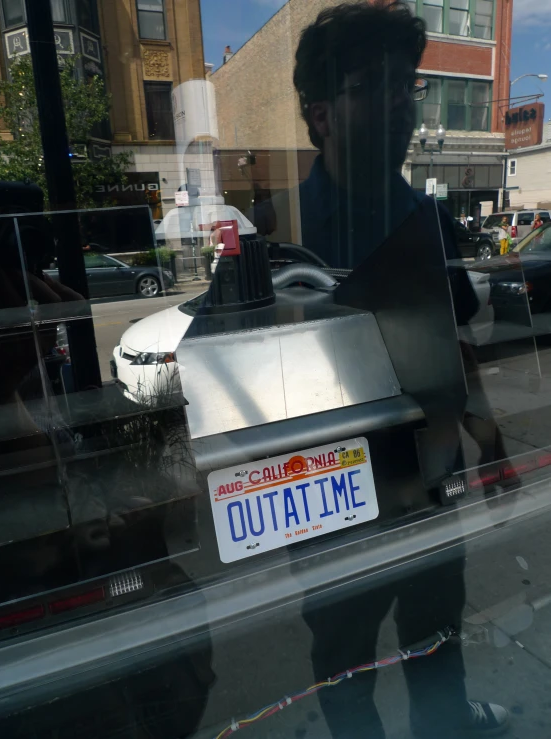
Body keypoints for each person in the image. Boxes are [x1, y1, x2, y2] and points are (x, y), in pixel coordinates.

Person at [285, 3, 510, 737]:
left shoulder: (429, 217)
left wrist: (491, 441)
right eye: (372, 83)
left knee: (437, 636)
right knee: (346, 665)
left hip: (428, 483)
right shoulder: (280, 233)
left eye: (404, 84)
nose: (398, 102)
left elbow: (454, 343)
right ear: (319, 113)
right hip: (332, 502)